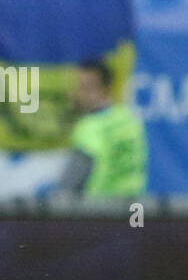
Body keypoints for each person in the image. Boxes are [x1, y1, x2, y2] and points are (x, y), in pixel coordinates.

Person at [54, 60, 148, 197]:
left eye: (86, 87)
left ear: (105, 88)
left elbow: (71, 183)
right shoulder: (129, 120)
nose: (79, 94)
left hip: (98, 211)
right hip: (132, 209)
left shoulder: (89, 127)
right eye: (78, 87)